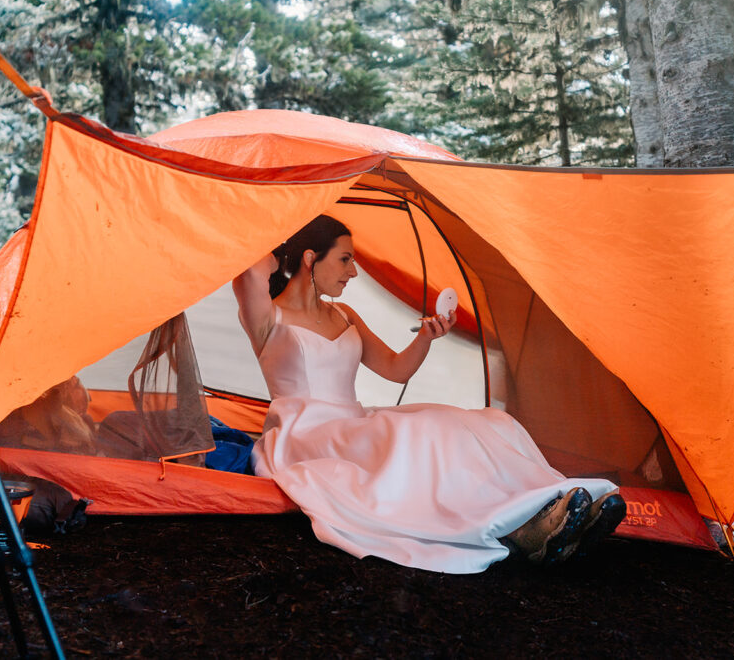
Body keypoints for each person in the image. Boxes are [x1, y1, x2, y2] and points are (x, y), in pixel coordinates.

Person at [233, 215, 625, 574]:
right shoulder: (268, 316)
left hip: (352, 421)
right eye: (345, 260)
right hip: (306, 435)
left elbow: (394, 368)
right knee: (419, 434)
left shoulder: (346, 315)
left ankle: (550, 508)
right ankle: (524, 530)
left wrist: (427, 336)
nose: (354, 271)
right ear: (308, 258)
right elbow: (251, 265)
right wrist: (291, 217)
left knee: (483, 421)